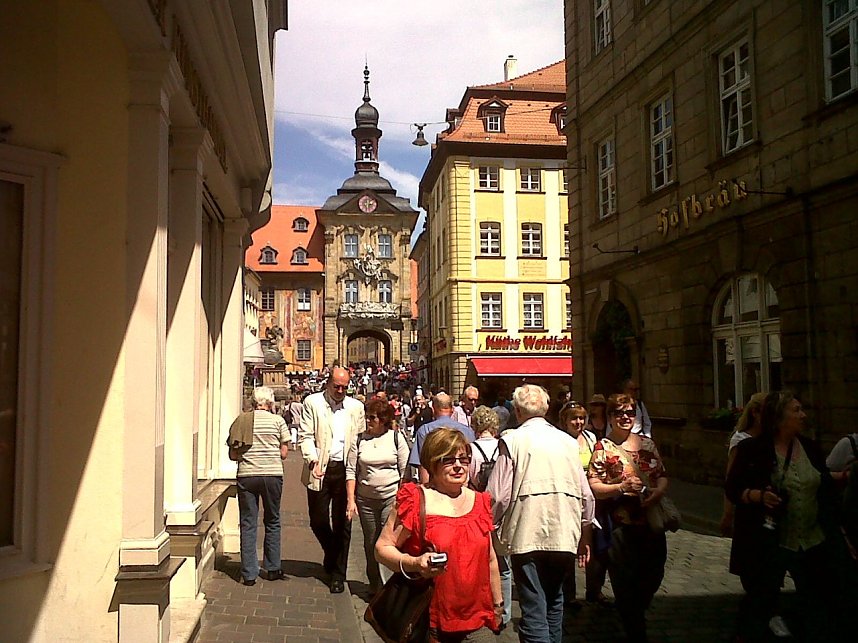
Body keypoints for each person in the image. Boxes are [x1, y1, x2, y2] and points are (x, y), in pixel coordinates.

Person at [725, 390, 840, 641]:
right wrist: (758, 496)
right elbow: (732, 488)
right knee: (761, 602)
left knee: (818, 601)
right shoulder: (752, 449)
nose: (803, 415)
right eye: (796, 410)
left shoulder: (810, 448)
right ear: (778, 417)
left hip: (811, 540)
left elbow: (825, 487)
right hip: (772, 541)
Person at [488, 384, 594, 643]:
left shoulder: (512, 440)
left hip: (527, 530)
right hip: (564, 529)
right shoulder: (568, 442)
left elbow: (498, 496)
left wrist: (486, 524)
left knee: (534, 603)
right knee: (554, 599)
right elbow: (586, 494)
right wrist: (586, 531)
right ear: (546, 409)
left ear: (519, 411)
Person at [376, 428, 502, 642]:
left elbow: (489, 559)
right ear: (432, 463)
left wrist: (498, 604)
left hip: (478, 619)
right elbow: (382, 549)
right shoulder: (415, 500)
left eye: (464, 459)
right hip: (430, 619)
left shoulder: (480, 502)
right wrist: (415, 562)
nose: (458, 466)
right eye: (449, 460)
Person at [588, 393, 668, 643]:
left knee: (654, 575)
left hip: (651, 522)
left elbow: (662, 475)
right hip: (620, 527)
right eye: (619, 413)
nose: (625, 417)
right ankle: (635, 628)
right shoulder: (603, 448)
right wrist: (620, 487)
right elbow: (594, 486)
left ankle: (637, 609)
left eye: (630, 413)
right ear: (610, 417)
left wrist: (658, 492)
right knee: (624, 583)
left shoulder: (647, 444)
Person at [299, 366, 365, 593]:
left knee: (343, 523)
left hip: (345, 470)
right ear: (327, 383)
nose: (340, 390)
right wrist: (312, 460)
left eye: (344, 387)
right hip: (319, 468)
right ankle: (332, 553)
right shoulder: (313, 403)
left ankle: (338, 574)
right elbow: (306, 435)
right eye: (336, 386)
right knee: (317, 520)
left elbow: (358, 441)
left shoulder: (356, 407)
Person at [346, 397, 410, 595]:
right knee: (370, 542)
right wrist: (351, 500)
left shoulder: (396, 438)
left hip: (390, 499)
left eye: (372, 417)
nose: (368, 421)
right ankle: (375, 586)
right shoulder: (359, 439)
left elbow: (404, 471)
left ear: (383, 419)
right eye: (367, 417)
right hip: (366, 499)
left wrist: (400, 500)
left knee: (389, 543)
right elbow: (351, 470)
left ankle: (391, 587)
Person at [228, 386, 289, 585]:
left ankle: (249, 573)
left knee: (248, 523)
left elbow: (233, 454)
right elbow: (284, 453)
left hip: (247, 475)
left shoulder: (242, 420)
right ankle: (272, 568)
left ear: (253, 402)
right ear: (270, 403)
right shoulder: (278, 421)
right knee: (272, 520)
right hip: (272, 475)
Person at [558, 401, 608, 609]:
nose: (578, 422)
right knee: (569, 545)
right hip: (569, 497)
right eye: (574, 418)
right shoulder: (559, 441)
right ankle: (569, 594)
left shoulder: (590, 438)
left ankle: (594, 590)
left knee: (596, 545)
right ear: (564, 421)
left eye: (581, 418)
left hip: (592, 496)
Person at [467, 406, 512, 628]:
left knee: (483, 560)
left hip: (479, 507)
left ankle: (483, 606)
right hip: (504, 511)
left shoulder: (471, 450)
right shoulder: (504, 447)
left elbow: (469, 480)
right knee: (503, 564)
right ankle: (506, 611)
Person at [719, 393, 766, 536]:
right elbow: (731, 478)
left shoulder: (770, 438)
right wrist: (728, 513)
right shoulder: (741, 440)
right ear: (755, 413)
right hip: (746, 504)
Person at [409, 393, 476, 483]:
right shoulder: (468, 431)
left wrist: (426, 492)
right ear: (452, 410)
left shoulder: (425, 431)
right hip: (462, 487)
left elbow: (423, 466)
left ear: (433, 409)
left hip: (436, 489)